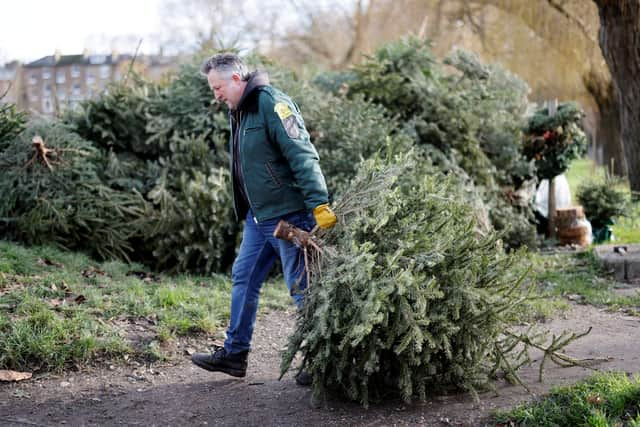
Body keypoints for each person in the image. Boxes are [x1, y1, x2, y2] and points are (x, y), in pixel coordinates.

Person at [191, 53, 336, 382]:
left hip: (290, 217)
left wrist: (319, 204)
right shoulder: (238, 112)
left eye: (218, 87)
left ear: (237, 80)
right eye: (212, 88)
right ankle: (234, 354)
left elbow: (302, 152)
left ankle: (321, 359)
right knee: (244, 277)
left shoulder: (273, 104)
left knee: (302, 288)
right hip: (259, 219)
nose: (216, 95)